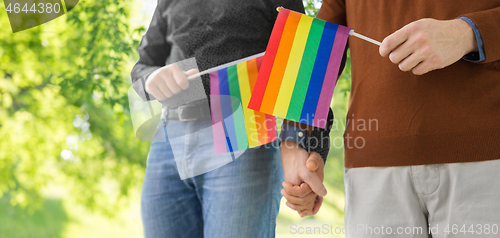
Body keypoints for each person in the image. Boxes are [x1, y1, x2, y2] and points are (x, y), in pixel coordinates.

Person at [282, 0, 500, 237]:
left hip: (485, 159)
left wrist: (467, 33)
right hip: (372, 170)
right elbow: (317, 38)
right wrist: (294, 140)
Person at [130, 0, 330, 237]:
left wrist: (304, 144)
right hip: (168, 139)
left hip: (242, 134)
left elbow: (306, 61)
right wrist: (152, 79)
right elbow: (143, 66)